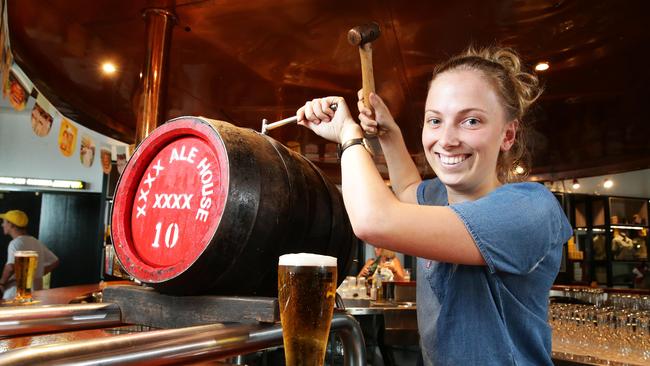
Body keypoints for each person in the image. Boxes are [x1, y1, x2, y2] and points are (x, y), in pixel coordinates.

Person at [297, 46, 572, 365]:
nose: (447, 139)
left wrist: (350, 136)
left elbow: (374, 221)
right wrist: (389, 134)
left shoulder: (529, 209)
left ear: (508, 134)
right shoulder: (439, 198)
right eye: (435, 120)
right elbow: (409, 189)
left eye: (471, 121)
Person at [0, 210, 59, 300]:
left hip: (14, 294)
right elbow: (55, 262)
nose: (2, 225)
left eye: (4, 222)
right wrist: (35, 274)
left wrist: (2, 283)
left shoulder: (15, 243)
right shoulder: (36, 242)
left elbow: (11, 267)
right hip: (35, 294)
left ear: (11, 224)